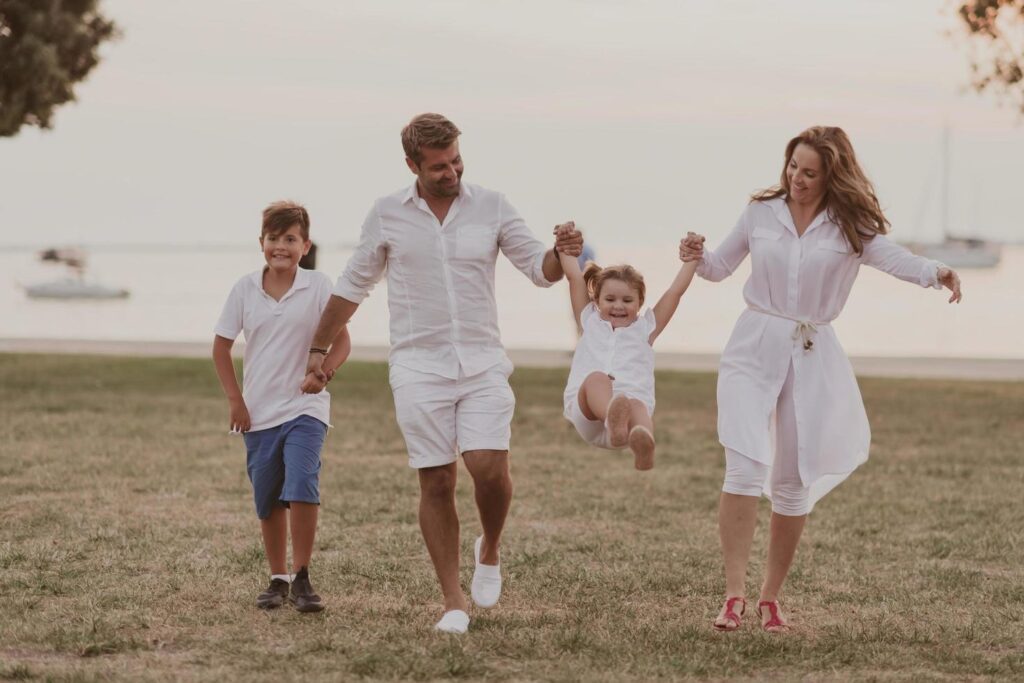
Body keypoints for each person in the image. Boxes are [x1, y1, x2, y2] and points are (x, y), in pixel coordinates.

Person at [303, 113, 583, 634]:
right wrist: (318, 347)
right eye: (438, 166)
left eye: (456, 160)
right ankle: (453, 603)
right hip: (417, 363)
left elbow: (539, 270)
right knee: (435, 479)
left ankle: (490, 546)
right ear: (412, 165)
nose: (451, 171)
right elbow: (352, 284)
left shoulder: (492, 205)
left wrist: (563, 251)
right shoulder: (387, 214)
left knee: (489, 469)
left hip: (481, 361)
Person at [679, 126, 963, 633]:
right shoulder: (760, 213)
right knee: (742, 466)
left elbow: (893, 258)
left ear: (832, 175)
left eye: (810, 173)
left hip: (811, 353)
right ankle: (733, 596)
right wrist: (696, 252)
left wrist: (935, 272)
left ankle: (770, 599)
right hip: (752, 345)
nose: (798, 179)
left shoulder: (849, 225)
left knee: (792, 480)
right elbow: (719, 267)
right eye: (793, 167)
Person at [212, 201, 351, 613]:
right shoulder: (243, 289)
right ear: (261, 243)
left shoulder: (319, 285)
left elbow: (341, 341)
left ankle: (303, 576)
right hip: (258, 414)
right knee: (268, 497)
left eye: (290, 239)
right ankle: (278, 578)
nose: (281, 246)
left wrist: (324, 371)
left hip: (305, 409)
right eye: (274, 238)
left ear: (305, 245)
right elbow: (221, 347)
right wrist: (236, 401)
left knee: (303, 482)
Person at [558, 225, 697, 470]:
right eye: (610, 300)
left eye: (627, 300)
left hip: (630, 421)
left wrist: (692, 260)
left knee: (637, 405)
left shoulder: (645, 329)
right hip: (589, 415)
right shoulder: (589, 320)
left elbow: (675, 292)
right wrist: (565, 245)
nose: (618, 306)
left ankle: (644, 445)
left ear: (640, 302)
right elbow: (573, 278)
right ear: (597, 300)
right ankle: (613, 415)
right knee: (596, 379)